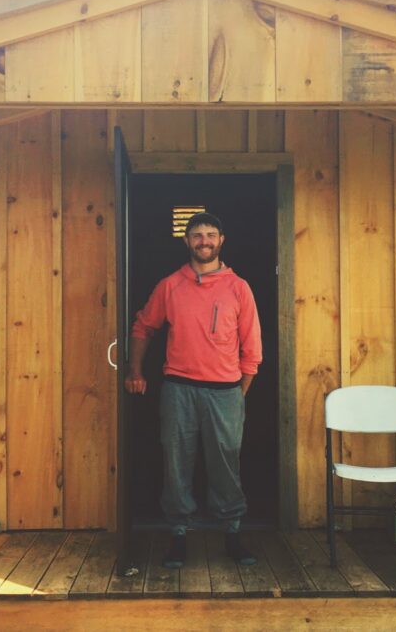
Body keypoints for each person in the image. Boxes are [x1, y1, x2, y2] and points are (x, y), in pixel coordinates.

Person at [125, 212, 262, 569]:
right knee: (176, 463)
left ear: (221, 240)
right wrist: (134, 369)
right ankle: (178, 535)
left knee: (225, 464)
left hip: (226, 391)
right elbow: (143, 326)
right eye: (197, 235)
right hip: (179, 390)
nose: (204, 241)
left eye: (211, 234)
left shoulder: (239, 288)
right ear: (187, 242)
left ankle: (232, 532)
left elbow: (253, 351)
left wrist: (236, 394)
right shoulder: (171, 285)